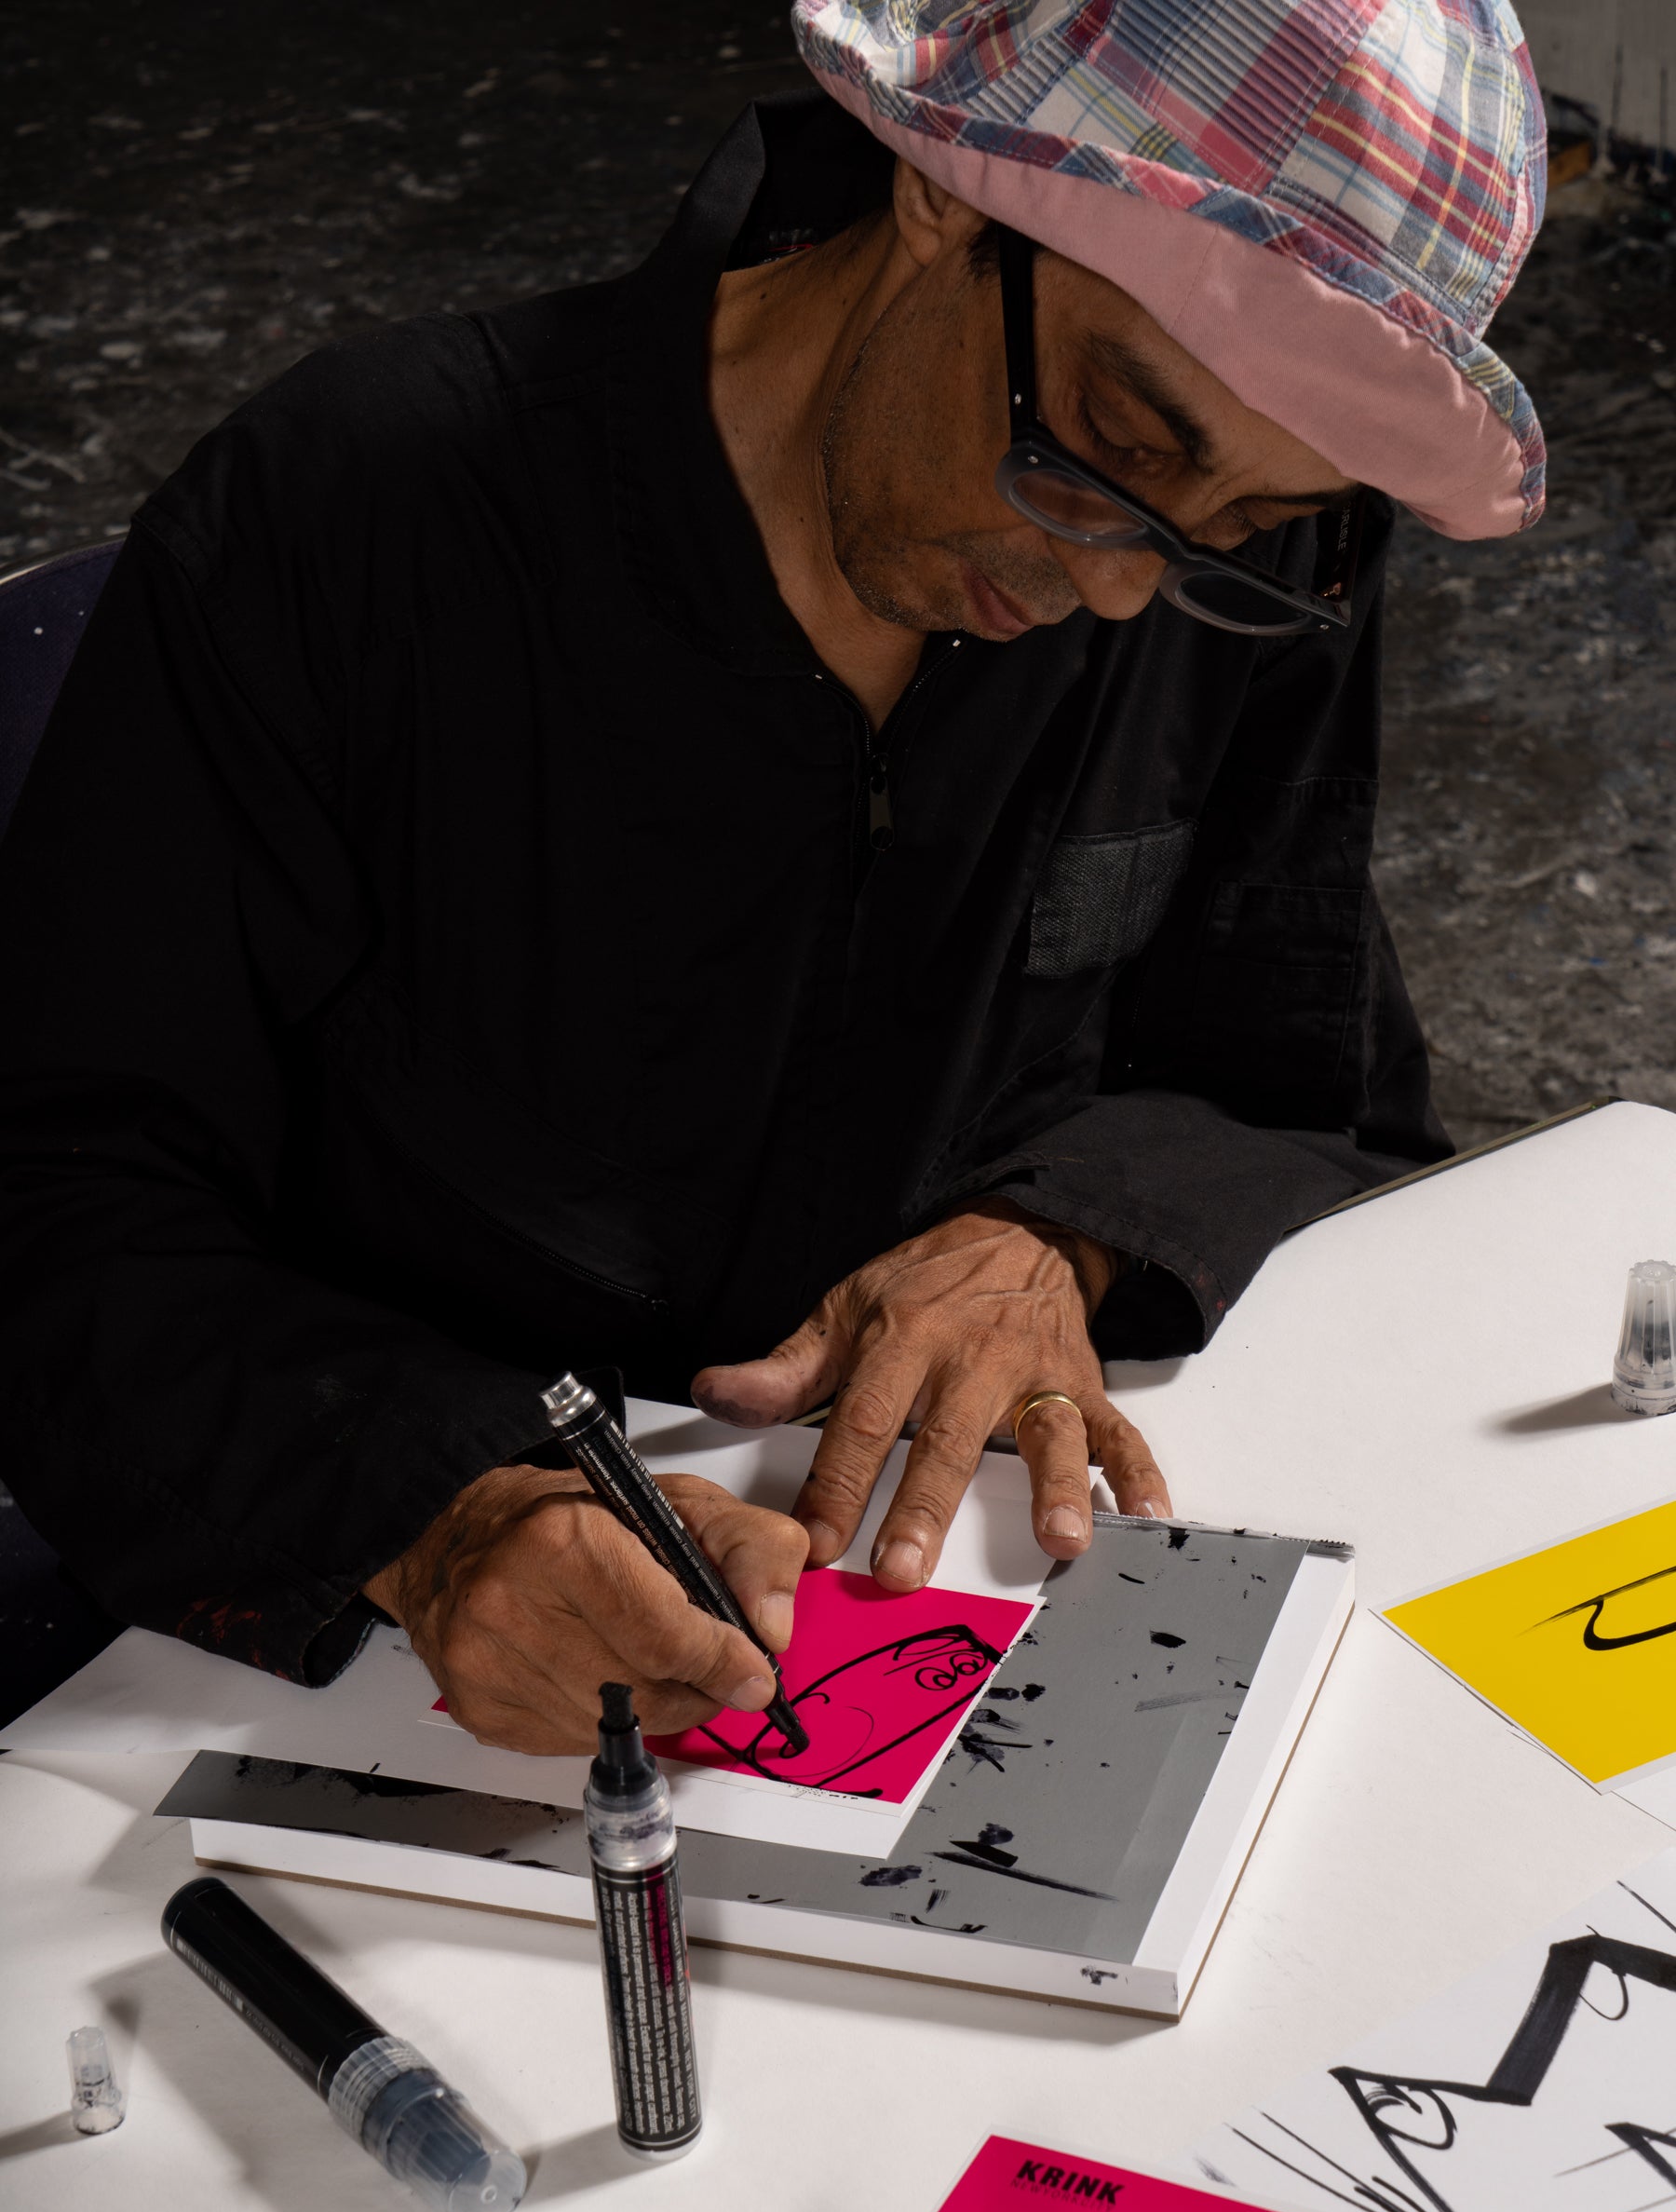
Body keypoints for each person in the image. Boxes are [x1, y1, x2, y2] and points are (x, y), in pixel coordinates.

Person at [0, 0, 1546, 1752]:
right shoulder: (357, 517)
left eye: (1254, 527)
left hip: (948, 1601)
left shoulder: (1223, 573)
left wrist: (1057, 1232)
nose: (1124, 591)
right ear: (945, 191)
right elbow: (63, 1201)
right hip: (377, 1629)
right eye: (1118, 437)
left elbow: (1300, 1071)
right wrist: (441, 1513)